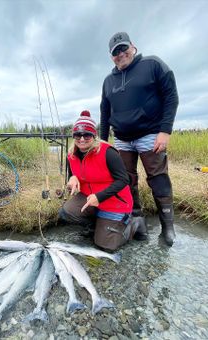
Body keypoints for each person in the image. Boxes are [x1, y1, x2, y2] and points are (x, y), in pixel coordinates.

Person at [100, 32, 179, 246]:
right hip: (122, 139)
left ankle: (167, 228)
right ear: (111, 56)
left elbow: (171, 95)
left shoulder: (152, 64)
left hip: (151, 135)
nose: (121, 54)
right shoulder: (108, 81)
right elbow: (104, 112)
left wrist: (165, 131)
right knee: (126, 179)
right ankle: (138, 222)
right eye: (115, 52)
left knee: (158, 178)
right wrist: (103, 141)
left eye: (123, 48)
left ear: (133, 47)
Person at [59, 110, 136, 252]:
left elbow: (123, 180)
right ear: (73, 136)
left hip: (114, 201)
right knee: (66, 212)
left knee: (105, 247)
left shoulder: (108, 152)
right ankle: (98, 225)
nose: (82, 139)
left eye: (87, 135)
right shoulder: (71, 155)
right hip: (89, 198)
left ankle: (132, 224)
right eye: (77, 135)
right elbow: (73, 175)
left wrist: (99, 197)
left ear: (94, 136)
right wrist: (72, 178)